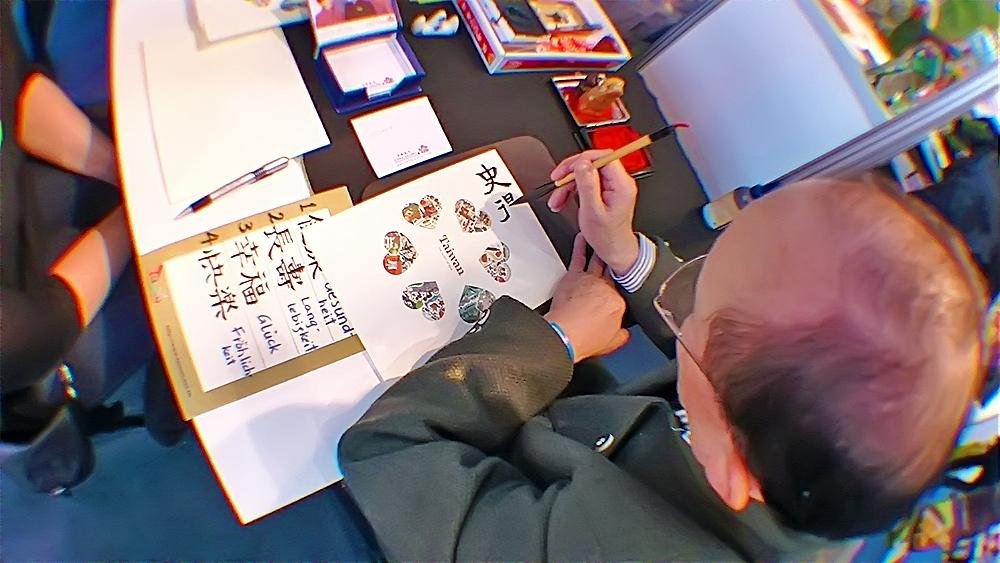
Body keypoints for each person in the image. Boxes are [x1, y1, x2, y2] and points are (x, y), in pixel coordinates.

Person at [337, 148, 989, 559]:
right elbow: (746, 338)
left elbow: (390, 449)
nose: (683, 305)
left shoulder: (614, 547)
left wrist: (555, 339)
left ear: (731, 469)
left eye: (691, 313)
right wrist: (627, 253)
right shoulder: (801, 447)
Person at [1, 7, 185, 492]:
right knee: (192, 317)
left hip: (23, 203)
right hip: (32, 338)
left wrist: (123, 171)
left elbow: (11, 90)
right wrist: (148, 202)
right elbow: (41, 326)